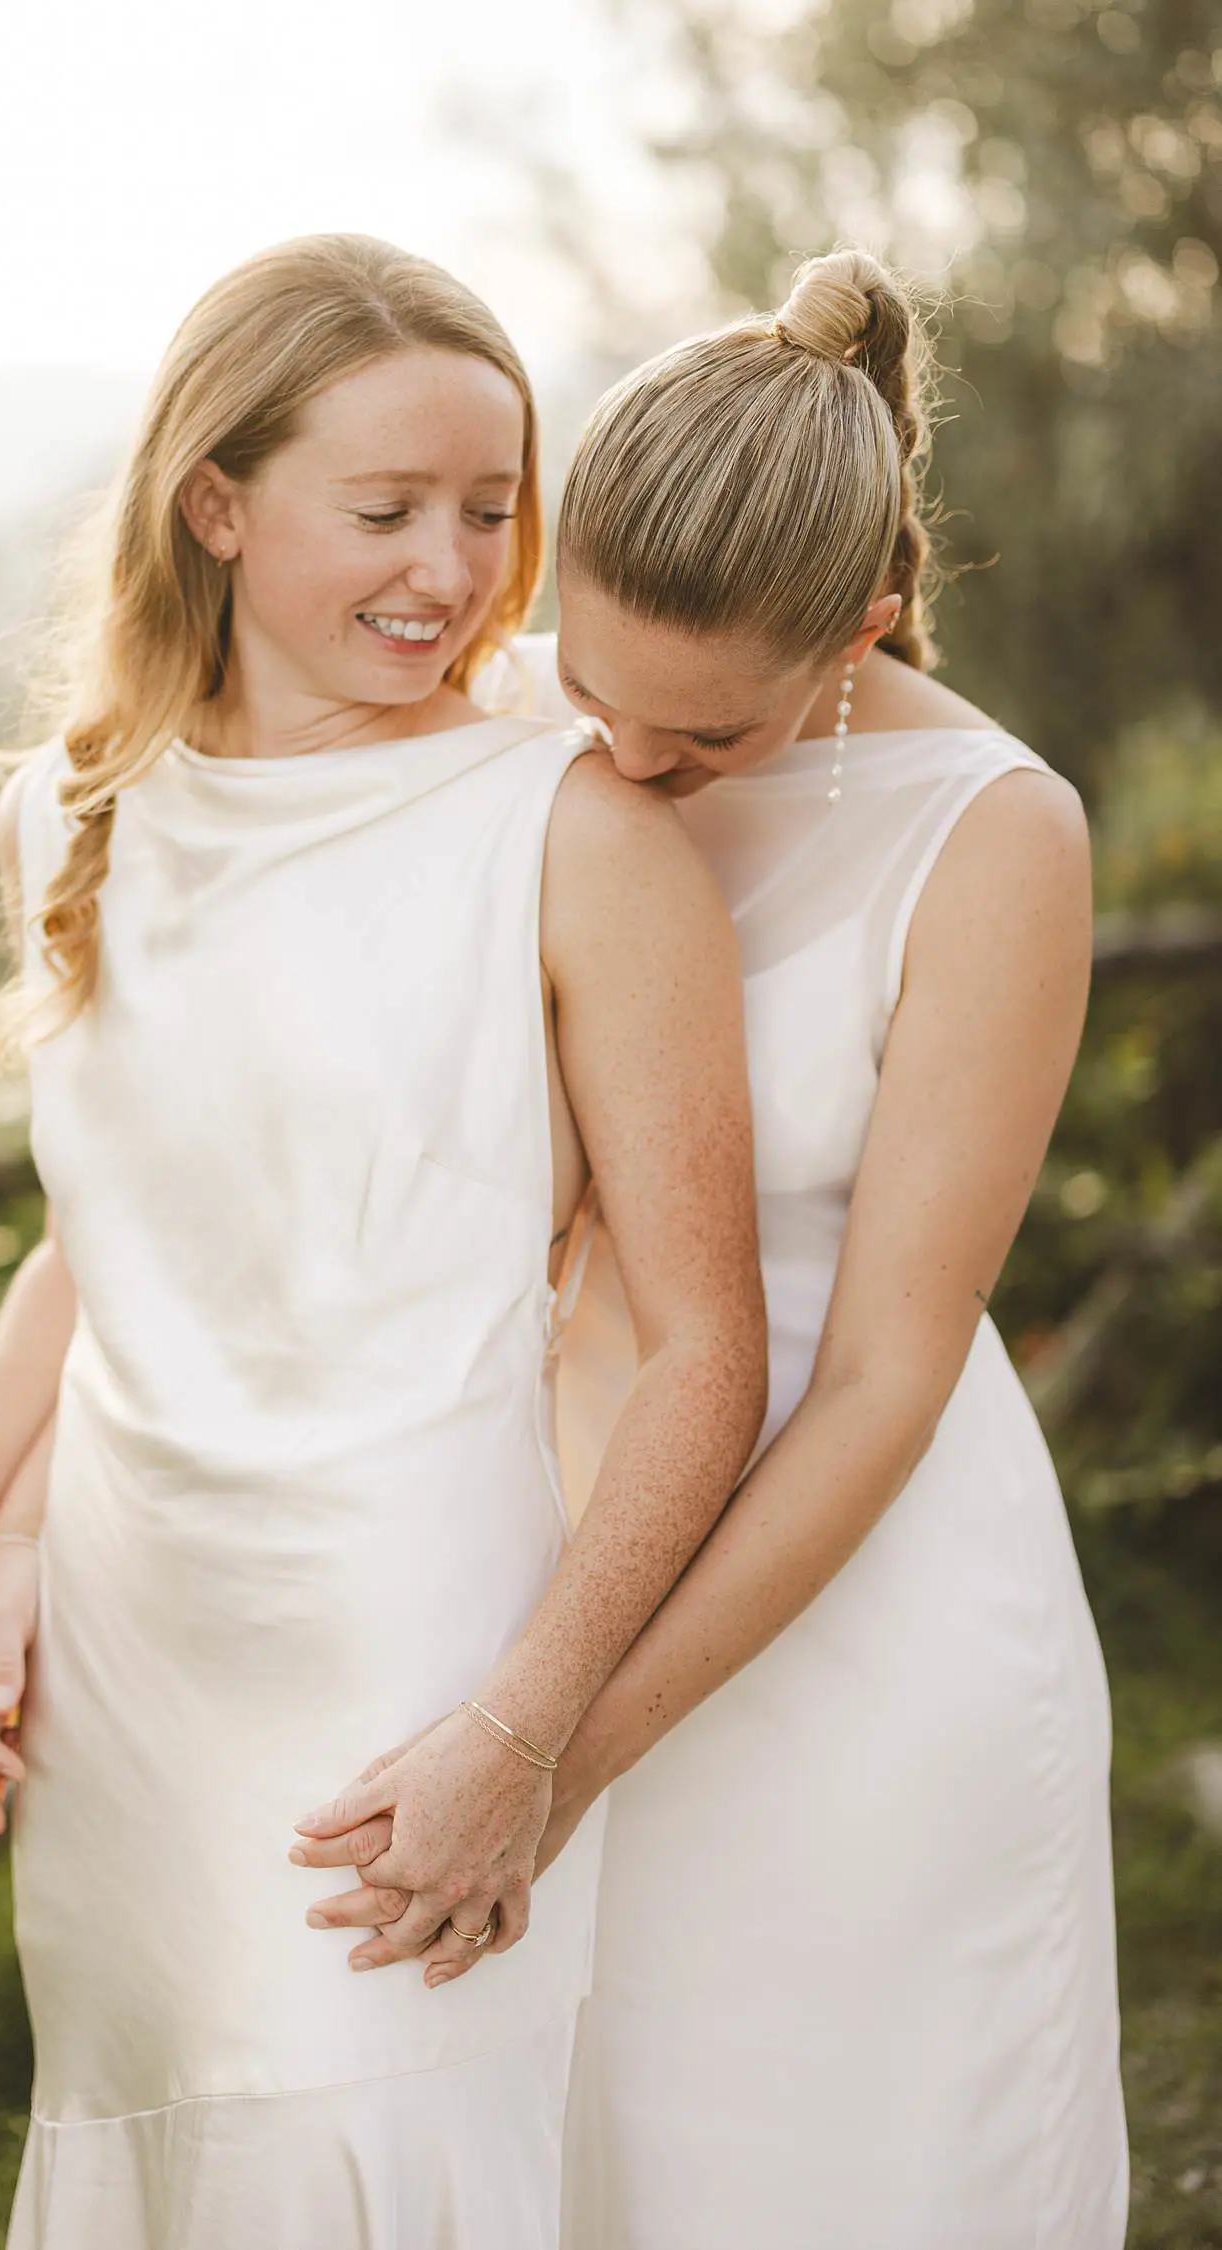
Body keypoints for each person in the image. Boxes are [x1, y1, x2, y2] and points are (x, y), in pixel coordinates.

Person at [0, 232, 766, 2250]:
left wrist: (522, 1734)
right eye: (384, 511)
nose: (449, 573)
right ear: (215, 502)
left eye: (487, 510)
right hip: (125, 1665)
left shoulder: (576, 830)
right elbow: (109, 1241)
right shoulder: (71, 814)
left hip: (411, 1660)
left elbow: (714, 1350)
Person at [295, 250, 1129, 2249]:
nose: (631, 768)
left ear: (860, 624)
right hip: (537, 1570)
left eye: (705, 741)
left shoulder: (997, 835)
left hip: (856, 1612)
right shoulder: (494, 722)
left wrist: (564, 1750)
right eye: (594, 693)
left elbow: (886, 1377)